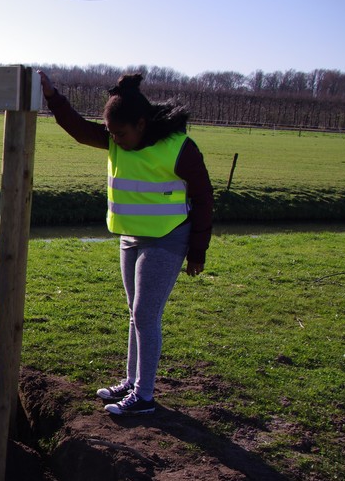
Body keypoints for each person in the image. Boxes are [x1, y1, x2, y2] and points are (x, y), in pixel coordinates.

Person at [38, 71, 214, 415]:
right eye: (111, 133)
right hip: (131, 237)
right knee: (135, 313)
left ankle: (144, 397)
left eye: (121, 133)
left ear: (142, 124)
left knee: (145, 315)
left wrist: (197, 251)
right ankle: (131, 381)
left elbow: (204, 199)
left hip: (167, 237)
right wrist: (52, 96)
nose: (114, 140)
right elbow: (79, 130)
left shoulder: (180, 149)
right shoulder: (116, 139)